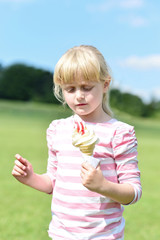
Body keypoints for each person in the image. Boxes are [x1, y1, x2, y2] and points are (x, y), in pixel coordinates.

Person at [12, 45, 142, 240]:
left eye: (86, 87)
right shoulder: (57, 130)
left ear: (105, 84)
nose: (79, 95)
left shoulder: (119, 133)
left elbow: (134, 192)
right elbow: (53, 183)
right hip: (62, 234)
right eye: (70, 89)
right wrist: (31, 178)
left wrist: (103, 186)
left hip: (104, 236)